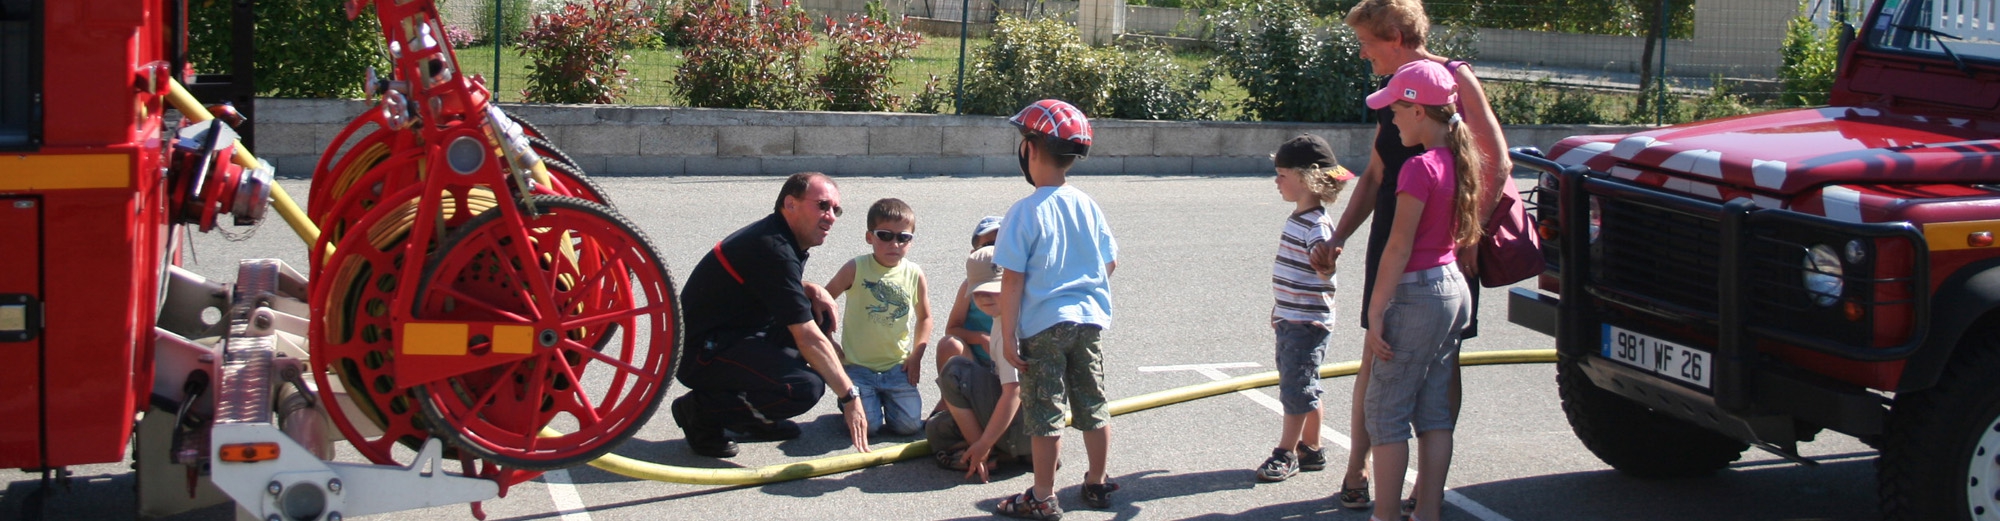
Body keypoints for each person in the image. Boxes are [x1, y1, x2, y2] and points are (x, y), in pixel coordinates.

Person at [1325, 0, 1513, 510]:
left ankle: (1417, 489)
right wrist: (1339, 236)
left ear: (1394, 35)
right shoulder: (1398, 101)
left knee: (1436, 365)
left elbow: (1495, 156)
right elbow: (1375, 173)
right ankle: (1358, 467)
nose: (1364, 55)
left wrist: (1472, 234)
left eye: (1367, 44)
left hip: (1439, 247)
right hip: (1395, 237)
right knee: (1375, 350)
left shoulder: (1447, 79)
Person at [672, 172, 871, 458]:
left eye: (836, 210)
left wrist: (809, 288)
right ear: (790, 204)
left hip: (735, 334)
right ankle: (700, 412)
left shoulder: (780, 237)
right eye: (823, 206)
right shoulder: (773, 246)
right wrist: (850, 395)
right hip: (701, 352)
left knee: (818, 315)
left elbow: (767, 283)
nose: (831, 217)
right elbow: (807, 338)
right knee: (804, 388)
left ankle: (752, 417)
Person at [1360, 59, 1482, 521]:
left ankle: (1385, 514)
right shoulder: (1458, 160)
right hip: (1453, 289)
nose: (1390, 119)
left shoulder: (1418, 167)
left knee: (1387, 410)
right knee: (1433, 409)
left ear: (1416, 111)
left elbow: (1398, 246)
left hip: (1416, 294)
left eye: (1393, 109)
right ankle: (1428, 508)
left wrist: (1375, 313)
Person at [991, 99, 1119, 520]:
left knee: (1045, 413)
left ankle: (1043, 496)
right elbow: (1109, 262)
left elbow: (1013, 280)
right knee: (1093, 405)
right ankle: (1097, 482)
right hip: (1088, 322)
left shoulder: (1024, 212)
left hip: (1043, 327)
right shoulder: (1087, 204)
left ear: (1029, 147)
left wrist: (1008, 335)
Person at [1254, 134, 1353, 483]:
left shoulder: (1317, 224)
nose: (1276, 181)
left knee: (1296, 389)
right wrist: (1280, 307)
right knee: (1304, 383)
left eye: (1282, 174)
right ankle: (1311, 448)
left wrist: (1327, 263)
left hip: (1307, 321)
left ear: (1305, 179)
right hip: (1291, 315)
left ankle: (1286, 452)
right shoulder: (1300, 217)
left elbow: (1324, 259)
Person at [823, 198, 935, 437]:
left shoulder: (914, 273)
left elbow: (925, 317)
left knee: (909, 427)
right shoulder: (855, 268)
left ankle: (878, 400)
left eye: (903, 237)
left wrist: (916, 355)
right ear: (869, 237)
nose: (894, 243)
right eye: (885, 235)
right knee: (869, 428)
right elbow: (822, 301)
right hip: (857, 367)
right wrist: (829, 341)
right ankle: (850, 399)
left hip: (897, 368)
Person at [924, 239, 1032, 482]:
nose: (986, 299)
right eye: (980, 293)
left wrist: (983, 444)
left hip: (1026, 428)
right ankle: (1015, 454)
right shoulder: (1015, 315)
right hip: (1037, 429)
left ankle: (983, 454)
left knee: (940, 422)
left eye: (995, 290)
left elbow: (1014, 392)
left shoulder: (1008, 330)